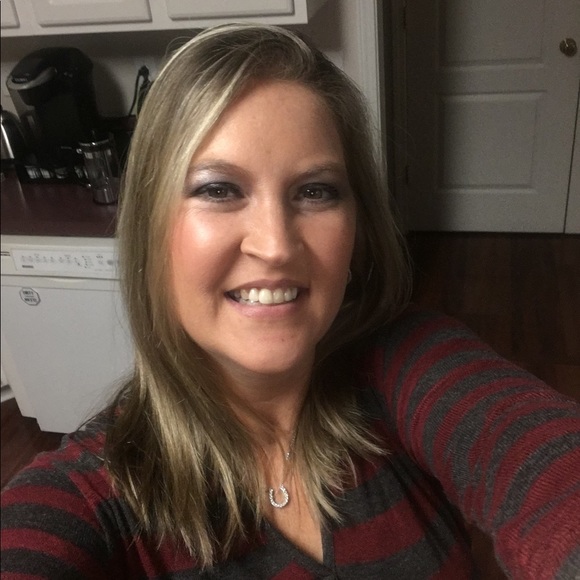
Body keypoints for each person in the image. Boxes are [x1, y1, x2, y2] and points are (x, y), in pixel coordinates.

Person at [1, 24, 579, 579]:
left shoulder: (412, 365)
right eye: (218, 189)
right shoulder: (89, 492)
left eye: (315, 191)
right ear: (150, 230)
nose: (275, 245)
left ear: (357, 229)